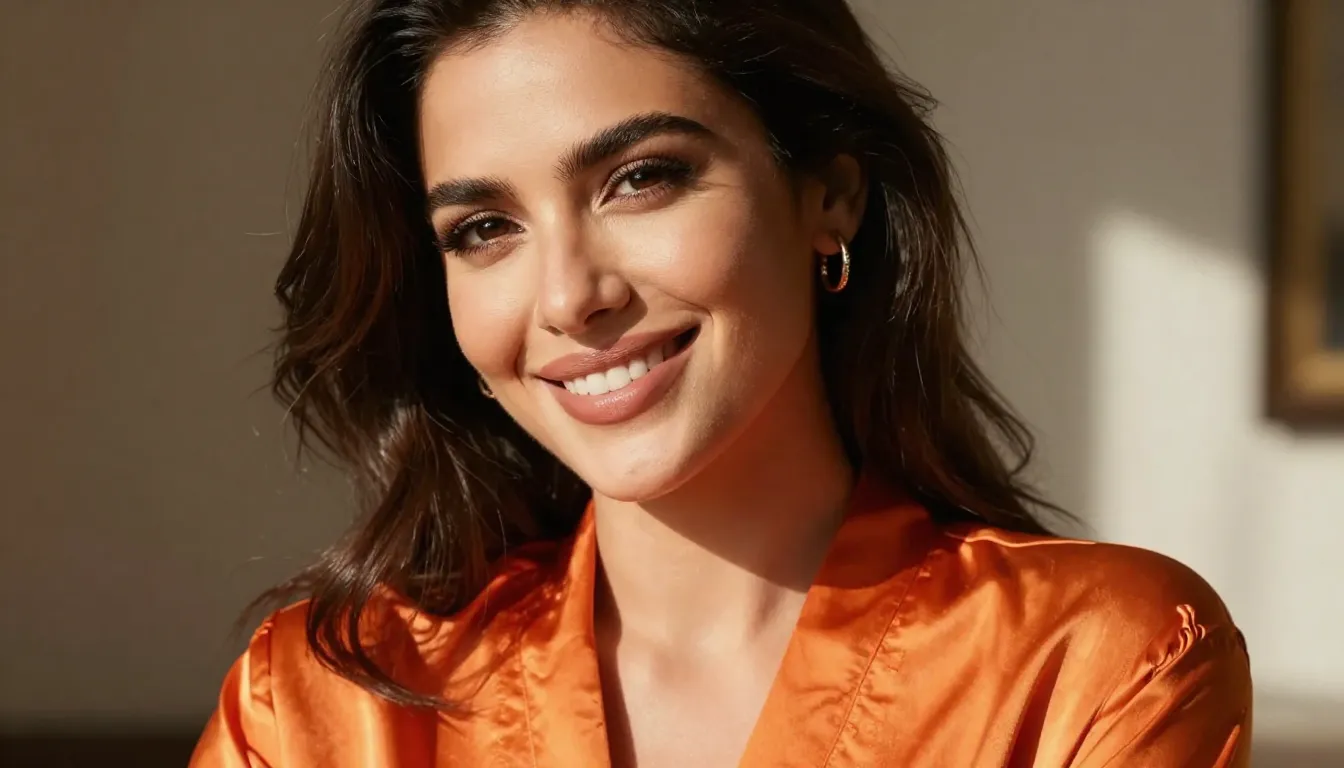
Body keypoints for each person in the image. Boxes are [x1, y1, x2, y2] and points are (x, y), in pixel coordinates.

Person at [191, 1, 1252, 765]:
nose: (569, 297)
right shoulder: (330, 706)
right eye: (484, 230)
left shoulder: (1096, 664)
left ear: (829, 195)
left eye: (641, 179)